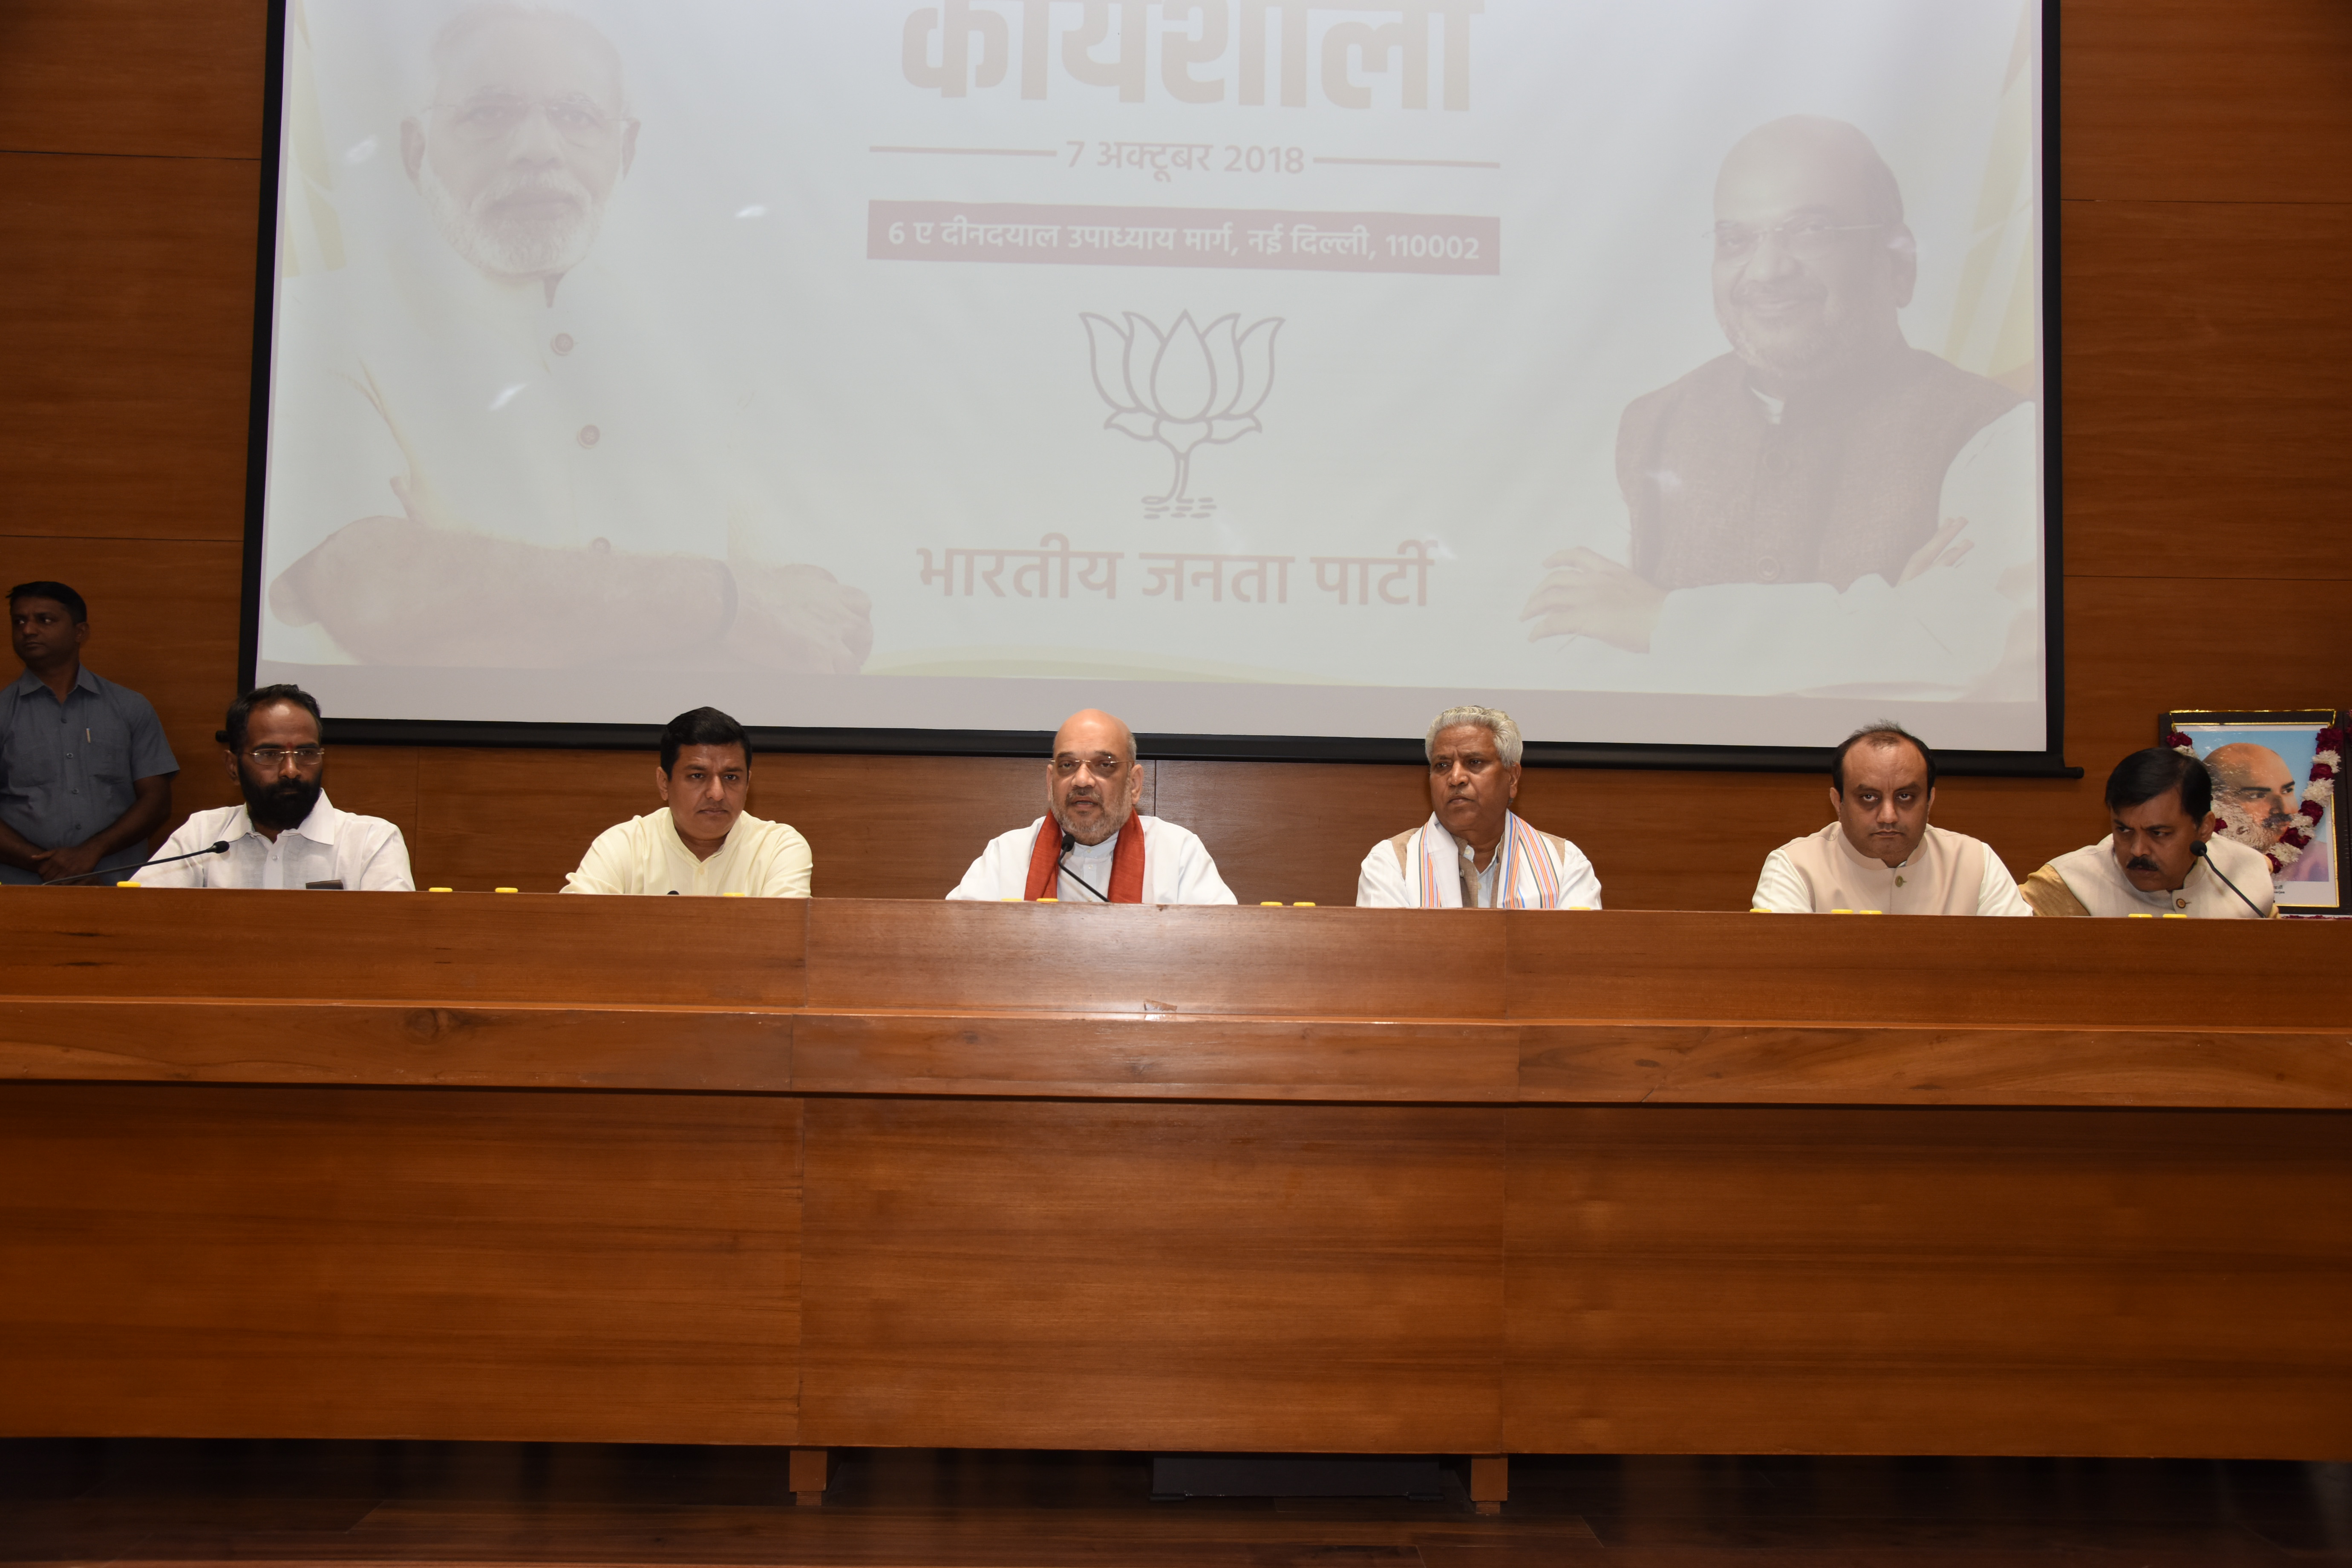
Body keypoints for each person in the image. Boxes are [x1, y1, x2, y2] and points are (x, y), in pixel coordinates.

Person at [262, 2, 870, 674]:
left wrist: (489, 603)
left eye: (577, 116)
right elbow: (372, 591)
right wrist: (720, 602)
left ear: (625, 148)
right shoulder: (321, 321)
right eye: (489, 114)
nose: (537, 149)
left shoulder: (710, 332)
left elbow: (815, 617)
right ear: (416, 149)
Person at [1521, 115, 2039, 698]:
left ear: (1896, 262)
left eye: (1812, 230)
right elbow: (1564, 650)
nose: (1767, 271)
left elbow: (1969, 649)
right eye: (1736, 240)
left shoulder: (1996, 430)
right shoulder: (1646, 427)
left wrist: (1662, 620)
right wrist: (1884, 622)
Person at [947, 709, 1234, 904]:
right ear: (1050, 782)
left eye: (1104, 765)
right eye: (1068, 765)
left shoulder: (1179, 854)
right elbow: (953, 941)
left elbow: (1223, 951)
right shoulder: (1006, 856)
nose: (1081, 780)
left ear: (1134, 785)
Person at [143, 686, 412, 890]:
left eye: (306, 753)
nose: (291, 770)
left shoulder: (371, 842)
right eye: (270, 755)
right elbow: (137, 919)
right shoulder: (202, 837)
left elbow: (394, 944)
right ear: (232, 766)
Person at [0, 581, 178, 886]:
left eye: (44, 620)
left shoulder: (129, 707)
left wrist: (91, 852)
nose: (28, 630)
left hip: (113, 883)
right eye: (19, 621)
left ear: (80, 632)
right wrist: (50, 866)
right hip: (20, 890)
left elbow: (157, 801)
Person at [1752, 721, 2031, 914]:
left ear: (1930, 801)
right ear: (1838, 802)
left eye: (1905, 797)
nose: (1889, 816)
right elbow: (1782, 979)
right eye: (1869, 798)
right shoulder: (1794, 867)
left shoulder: (1975, 862)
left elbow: (2020, 963)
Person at [1356, 705, 1601, 908]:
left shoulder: (1565, 864)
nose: (1455, 778)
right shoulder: (1391, 863)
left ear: (1512, 778)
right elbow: (1387, 963)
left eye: (1474, 762)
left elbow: (1577, 962)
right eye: (1442, 765)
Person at [563, 707, 810, 896]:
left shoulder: (778, 848)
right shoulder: (623, 846)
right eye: (697, 776)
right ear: (664, 783)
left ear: (748, 784)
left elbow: (787, 941)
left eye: (731, 777)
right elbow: (574, 928)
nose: (717, 793)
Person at [2019, 748, 2275, 918]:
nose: (2137, 850)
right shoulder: (2065, 885)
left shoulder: (2247, 878)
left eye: (2159, 833)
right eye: (2124, 830)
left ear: (2205, 828)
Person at [2206, 741, 2329, 884]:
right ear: (2214, 803)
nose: (2284, 809)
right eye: (2257, 795)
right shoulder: (2196, 859)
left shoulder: (2323, 860)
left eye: (2287, 791)